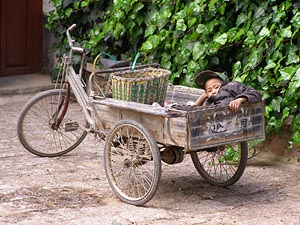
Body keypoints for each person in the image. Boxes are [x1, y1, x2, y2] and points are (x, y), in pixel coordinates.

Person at [194, 70, 262, 112]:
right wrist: (203, 97)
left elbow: (255, 93)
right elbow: (191, 112)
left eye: (216, 87)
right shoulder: (209, 103)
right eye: (209, 90)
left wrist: (240, 99)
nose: (213, 91)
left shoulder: (230, 86)